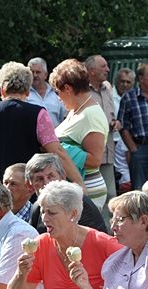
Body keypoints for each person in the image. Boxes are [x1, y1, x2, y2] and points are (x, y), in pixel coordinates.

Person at [0, 61, 83, 185]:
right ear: (27, 91)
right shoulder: (38, 114)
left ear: (2, 90)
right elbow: (57, 151)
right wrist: (79, 182)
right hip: (22, 189)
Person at [50, 58, 109, 210]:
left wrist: (58, 149)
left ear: (68, 89)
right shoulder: (75, 111)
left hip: (88, 188)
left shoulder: (91, 115)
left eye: (58, 91)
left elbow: (95, 160)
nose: (58, 97)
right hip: (75, 188)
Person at [25, 153, 107, 234]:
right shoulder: (36, 208)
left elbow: (92, 241)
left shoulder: (79, 203)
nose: (46, 183)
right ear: (30, 185)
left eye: (51, 176)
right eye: (39, 179)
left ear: (63, 177)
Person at [84, 54, 118, 213]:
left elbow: (111, 116)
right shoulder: (81, 91)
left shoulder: (107, 89)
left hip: (108, 153)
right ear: (91, 70)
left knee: (111, 195)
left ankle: (111, 235)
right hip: (89, 155)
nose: (108, 69)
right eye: (103, 66)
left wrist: (116, 122)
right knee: (91, 197)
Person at [26, 57, 66, 126]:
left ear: (45, 75)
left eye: (38, 72)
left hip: (56, 135)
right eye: (32, 72)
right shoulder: (24, 94)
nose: (35, 75)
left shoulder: (56, 93)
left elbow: (65, 118)